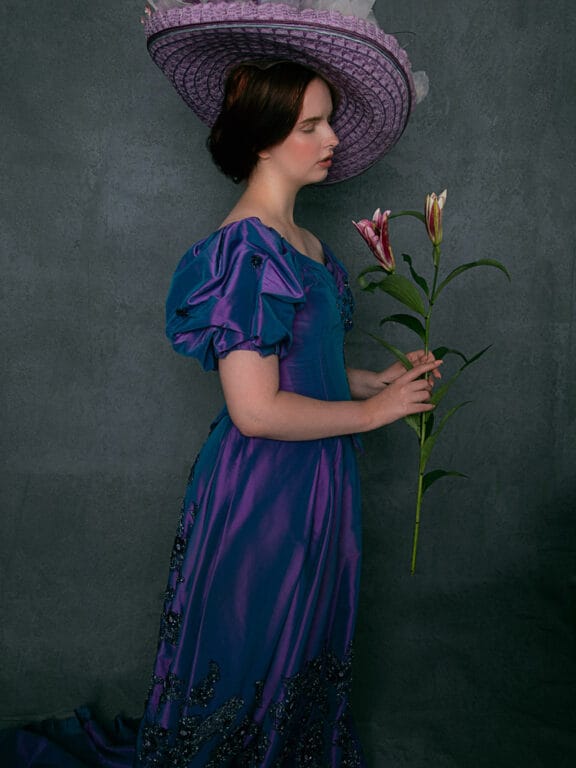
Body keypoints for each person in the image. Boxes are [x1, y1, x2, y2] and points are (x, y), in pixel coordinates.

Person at [135, 3, 435, 766]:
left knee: (303, 648)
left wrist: (379, 378)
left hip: (318, 476)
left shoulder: (302, 243)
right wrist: (373, 412)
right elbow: (256, 409)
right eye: (311, 125)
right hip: (264, 488)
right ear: (263, 138)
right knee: (253, 651)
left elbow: (308, 368)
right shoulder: (246, 251)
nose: (332, 139)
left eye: (328, 120)